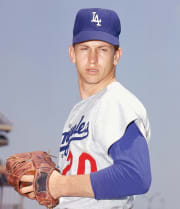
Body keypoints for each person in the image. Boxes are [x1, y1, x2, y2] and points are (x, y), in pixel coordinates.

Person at [19, 8, 151, 209]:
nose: (92, 58)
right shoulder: (77, 112)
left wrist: (59, 184)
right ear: (72, 53)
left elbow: (136, 176)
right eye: (84, 48)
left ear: (117, 56)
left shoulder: (117, 101)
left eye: (103, 49)